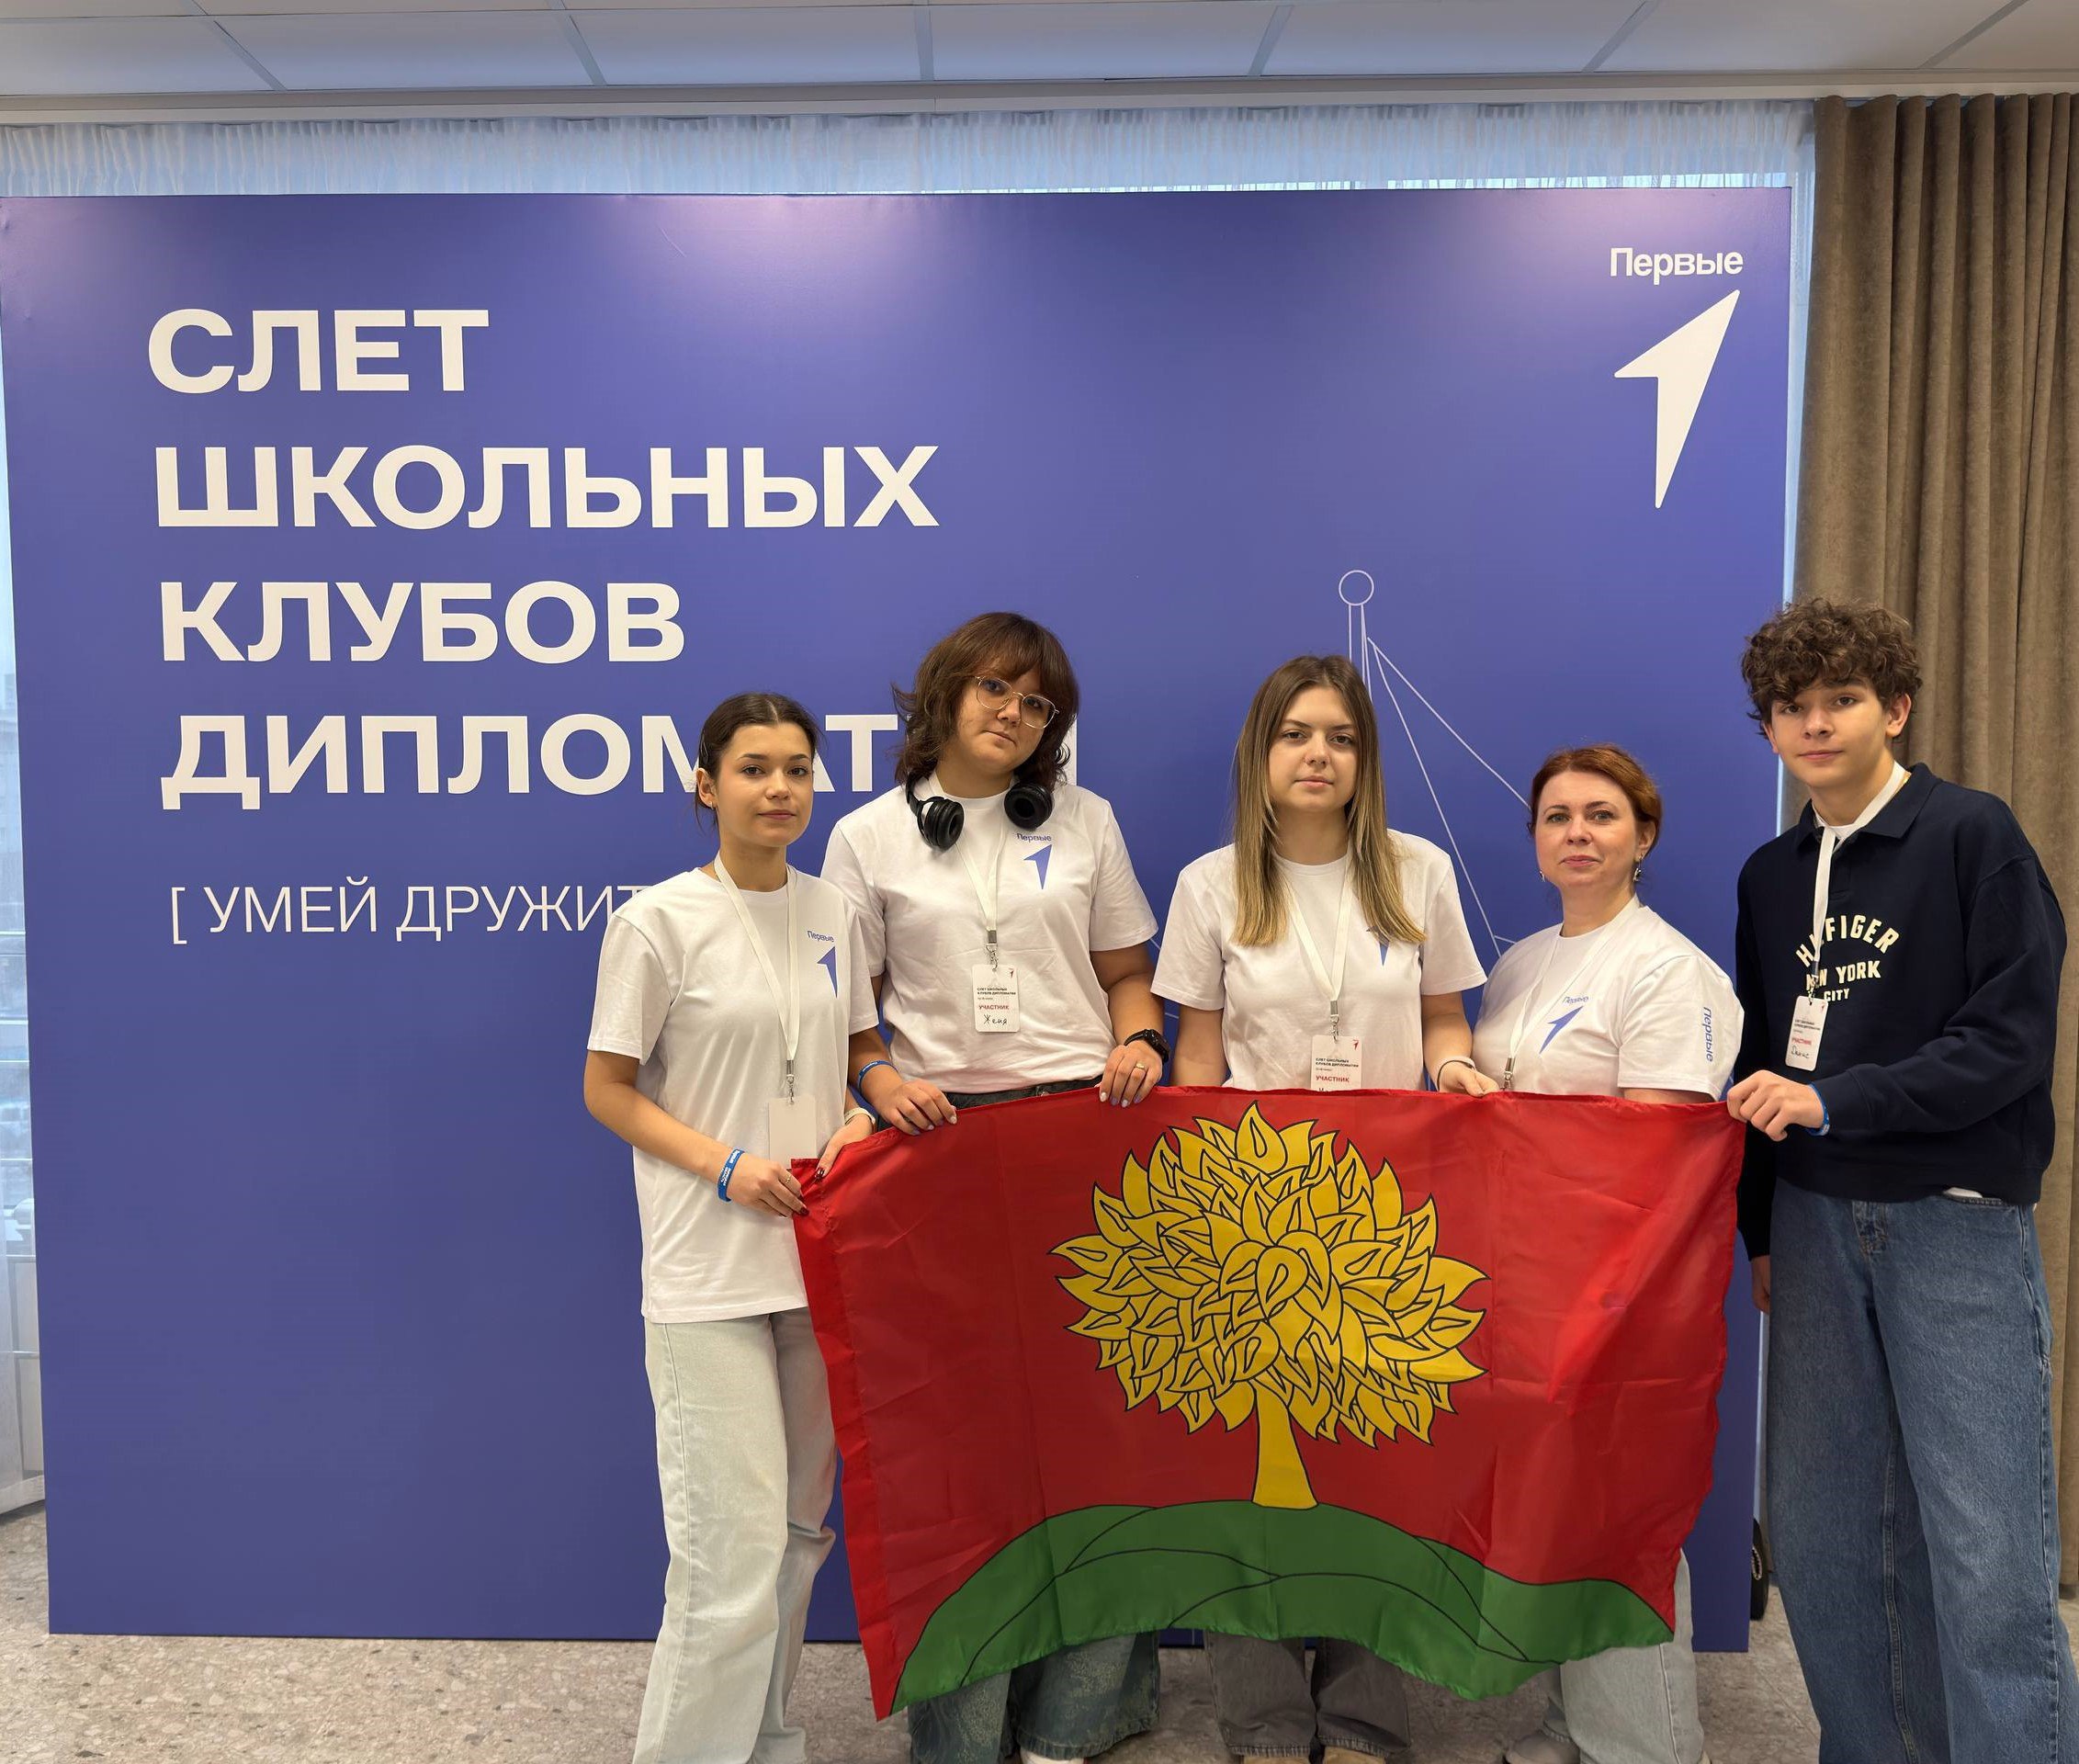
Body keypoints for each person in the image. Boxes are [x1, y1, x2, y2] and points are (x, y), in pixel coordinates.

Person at [1725, 598, 2073, 1764]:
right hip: (1814, 1225)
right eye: (1791, 707)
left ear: (1896, 708)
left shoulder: (1973, 834)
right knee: (1827, 1539)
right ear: (1770, 729)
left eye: (1842, 700)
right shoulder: (1771, 876)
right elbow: (1761, 1055)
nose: (1815, 724)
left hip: (1951, 1224)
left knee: (1985, 1550)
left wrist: (1839, 1100)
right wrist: (1761, 1228)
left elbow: (2008, 1041)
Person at [823, 612, 1167, 1764]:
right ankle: (962, 1731)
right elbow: (849, 1012)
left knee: (1099, 1435)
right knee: (962, 1448)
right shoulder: (867, 836)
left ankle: (1083, 1715)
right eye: (994, 691)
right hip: (942, 1153)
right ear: (943, 694)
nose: (1013, 715)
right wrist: (878, 1079)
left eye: (1036, 705)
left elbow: (1126, 975)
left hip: (1081, 1136)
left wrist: (1141, 1040)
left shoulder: (1086, 821)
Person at [1153, 653, 1492, 1764]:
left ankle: (1361, 1724)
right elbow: (1196, 1057)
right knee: (1247, 1478)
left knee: (1376, 1473)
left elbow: (1443, 1018)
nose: (1318, 755)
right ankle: (1259, 1723)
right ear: (1261, 752)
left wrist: (1454, 1068)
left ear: (1365, 759)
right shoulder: (1211, 885)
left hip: (1386, 1213)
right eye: (1296, 734)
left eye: (1340, 738)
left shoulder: (1416, 870)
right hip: (1254, 1211)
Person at [582, 693, 880, 1764]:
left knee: (794, 1541)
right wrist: (724, 1167)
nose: (780, 789)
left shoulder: (833, 910)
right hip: (708, 1274)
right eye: (754, 769)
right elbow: (608, 1089)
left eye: (797, 769)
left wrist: (856, 1118)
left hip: (814, 1267)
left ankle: (767, 1742)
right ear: (707, 785)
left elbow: (850, 1052)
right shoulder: (656, 922)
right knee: (729, 1558)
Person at [1469, 744, 1735, 1764]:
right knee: (1547, 1509)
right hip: (1519, 1276)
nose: (1576, 833)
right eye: (1557, 817)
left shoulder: (1669, 970)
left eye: (1601, 815)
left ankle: (1647, 1747)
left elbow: (1654, 1160)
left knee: (1619, 1512)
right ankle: (1571, 1724)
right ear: (1536, 841)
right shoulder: (1521, 963)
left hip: (1618, 1284)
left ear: (1643, 836)